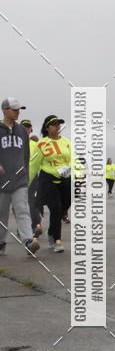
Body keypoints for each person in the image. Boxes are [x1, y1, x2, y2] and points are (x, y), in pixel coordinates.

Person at [0, 98, 40, 257]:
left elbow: (26, 155)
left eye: (19, 110)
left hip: (19, 180)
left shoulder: (22, 131)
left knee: (23, 210)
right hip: (2, 181)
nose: (17, 112)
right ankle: (1, 243)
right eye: (14, 109)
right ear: (5, 110)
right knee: (2, 214)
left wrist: (25, 173)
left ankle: (29, 241)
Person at [29, 114, 71, 252]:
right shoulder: (42, 144)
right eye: (54, 124)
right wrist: (26, 183)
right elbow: (33, 165)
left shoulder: (66, 142)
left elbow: (73, 159)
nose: (58, 126)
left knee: (64, 206)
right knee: (56, 208)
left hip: (65, 178)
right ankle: (56, 240)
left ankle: (51, 231)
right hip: (48, 179)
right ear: (47, 128)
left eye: (59, 124)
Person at [21, 118, 43, 237]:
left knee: (31, 201)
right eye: (23, 126)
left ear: (31, 129)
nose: (26, 128)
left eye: (28, 127)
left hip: (33, 177)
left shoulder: (36, 145)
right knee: (20, 204)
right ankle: (25, 226)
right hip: (18, 177)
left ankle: (35, 225)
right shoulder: (16, 143)